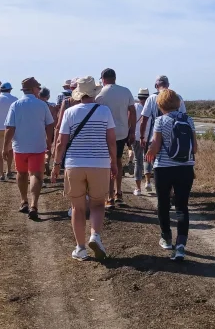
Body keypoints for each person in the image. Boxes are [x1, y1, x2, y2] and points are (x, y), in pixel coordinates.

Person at [51, 76, 118, 261]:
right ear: (94, 92)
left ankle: (80, 248)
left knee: (77, 208)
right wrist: (113, 162)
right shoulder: (104, 111)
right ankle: (95, 236)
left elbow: (60, 142)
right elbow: (111, 140)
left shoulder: (70, 112)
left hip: (74, 164)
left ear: (79, 94)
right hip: (100, 163)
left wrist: (56, 165)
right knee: (97, 204)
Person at [145, 89, 197, 261]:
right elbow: (195, 148)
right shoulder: (188, 120)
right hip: (185, 168)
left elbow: (156, 146)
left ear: (160, 105)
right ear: (177, 103)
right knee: (182, 207)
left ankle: (166, 238)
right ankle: (181, 245)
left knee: (163, 203)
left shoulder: (160, 121)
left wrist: (150, 151)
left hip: (164, 168)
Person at [3, 77, 55, 218]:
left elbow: (10, 127)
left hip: (20, 146)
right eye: (38, 88)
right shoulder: (42, 105)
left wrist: (5, 146)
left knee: (22, 173)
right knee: (36, 175)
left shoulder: (15, 105)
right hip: (38, 146)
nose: (39, 90)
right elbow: (50, 124)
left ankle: (23, 201)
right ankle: (34, 205)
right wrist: (49, 141)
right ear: (33, 89)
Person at [95, 68, 135, 208]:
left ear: (103, 79)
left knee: (107, 163)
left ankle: (110, 196)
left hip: (105, 132)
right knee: (117, 160)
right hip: (122, 132)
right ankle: (118, 193)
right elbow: (132, 111)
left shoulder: (100, 94)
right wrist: (131, 129)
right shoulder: (126, 91)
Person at [139, 75, 186, 152]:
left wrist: (142, 137)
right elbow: (184, 117)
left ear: (156, 86)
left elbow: (144, 120)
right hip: (176, 138)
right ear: (168, 85)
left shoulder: (152, 98)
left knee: (151, 161)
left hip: (155, 139)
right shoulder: (178, 97)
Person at [132, 88, 150, 196]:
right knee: (148, 158)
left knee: (137, 161)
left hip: (137, 137)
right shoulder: (151, 107)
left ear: (138, 97)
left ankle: (138, 188)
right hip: (149, 137)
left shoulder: (134, 107)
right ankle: (148, 181)